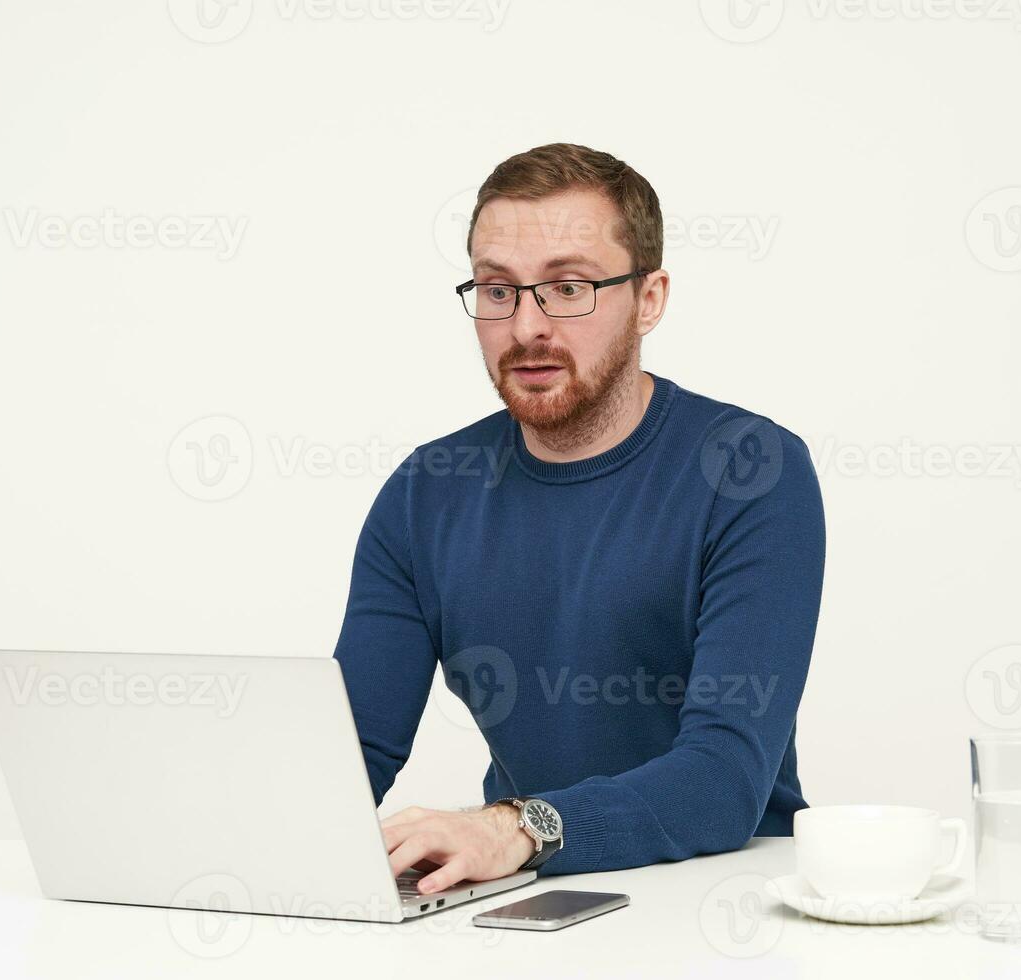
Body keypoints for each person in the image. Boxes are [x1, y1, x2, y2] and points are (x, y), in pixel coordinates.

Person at [333, 142, 825, 897]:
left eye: (568, 288)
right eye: (498, 291)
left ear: (650, 298)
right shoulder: (425, 492)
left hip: (724, 890)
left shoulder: (750, 469)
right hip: (530, 896)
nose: (527, 325)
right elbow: (347, 756)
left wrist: (514, 828)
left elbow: (723, 781)